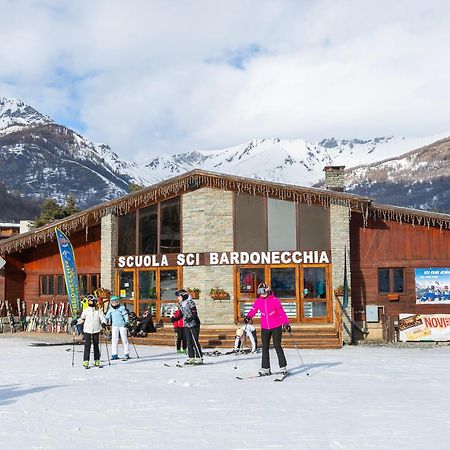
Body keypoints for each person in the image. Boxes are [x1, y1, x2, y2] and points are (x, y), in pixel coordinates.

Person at [244, 282, 291, 376]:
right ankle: (265, 368)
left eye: (263, 291)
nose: (262, 293)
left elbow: (282, 312)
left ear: (267, 290)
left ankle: (283, 367)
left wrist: (286, 323)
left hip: (276, 326)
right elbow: (253, 310)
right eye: (259, 292)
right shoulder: (258, 301)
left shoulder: (274, 300)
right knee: (264, 347)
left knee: (277, 346)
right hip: (265, 327)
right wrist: (248, 316)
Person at [72, 294, 105, 368]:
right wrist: (76, 322)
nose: (90, 302)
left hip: (96, 330)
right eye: (89, 301)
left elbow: (103, 318)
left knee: (96, 346)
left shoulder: (98, 310)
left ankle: (97, 360)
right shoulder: (86, 310)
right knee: (87, 346)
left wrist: (103, 323)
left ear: (94, 301)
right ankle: (86, 361)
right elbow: (82, 319)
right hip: (87, 330)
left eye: (92, 301)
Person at [171, 288, 202, 364]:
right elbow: (181, 314)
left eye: (179, 296)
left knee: (194, 341)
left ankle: (199, 358)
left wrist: (190, 319)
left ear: (183, 296)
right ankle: (191, 357)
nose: (178, 298)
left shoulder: (190, 303)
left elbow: (195, 314)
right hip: (186, 324)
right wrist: (175, 319)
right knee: (189, 341)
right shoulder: (181, 304)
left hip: (194, 324)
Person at [103, 295, 130, 360]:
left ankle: (126, 353)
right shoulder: (111, 309)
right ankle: (114, 354)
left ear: (118, 302)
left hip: (122, 325)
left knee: (124, 339)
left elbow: (125, 316)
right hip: (114, 326)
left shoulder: (121, 308)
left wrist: (126, 322)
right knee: (114, 340)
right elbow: (107, 317)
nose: (114, 303)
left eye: (115, 302)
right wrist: (104, 322)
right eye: (113, 302)